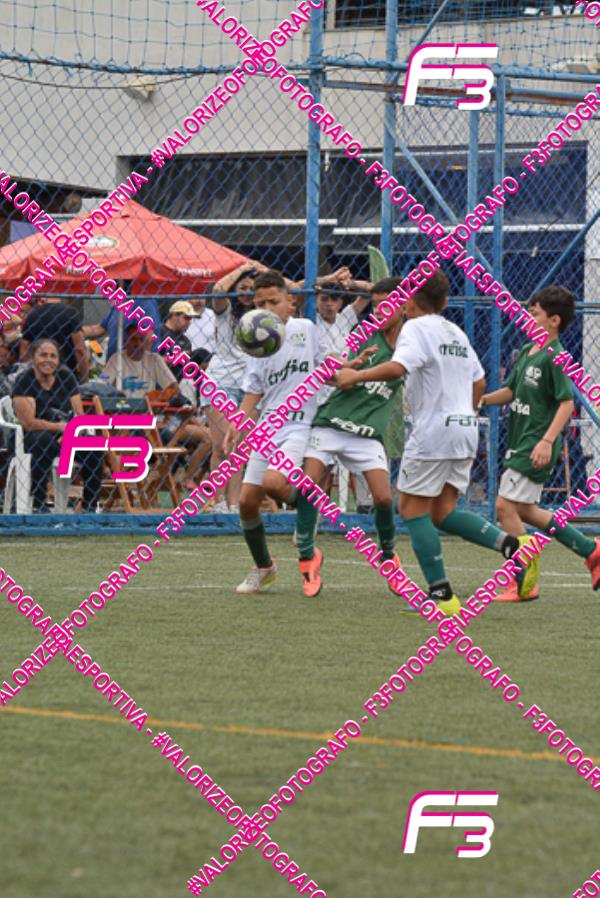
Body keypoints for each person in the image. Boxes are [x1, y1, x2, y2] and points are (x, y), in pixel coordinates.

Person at [336, 269, 540, 614]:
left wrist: (356, 375)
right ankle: (513, 546)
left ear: (408, 301)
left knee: (410, 509)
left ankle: (442, 595)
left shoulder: (415, 328)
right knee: (442, 512)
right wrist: (465, 412)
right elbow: (479, 380)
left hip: (434, 432)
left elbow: (398, 367)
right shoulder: (455, 331)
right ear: (445, 301)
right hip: (465, 428)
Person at [481, 285, 600, 601]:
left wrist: (547, 441)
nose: (528, 318)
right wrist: (481, 400)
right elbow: (511, 391)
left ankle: (524, 579)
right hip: (521, 440)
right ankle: (591, 551)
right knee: (525, 509)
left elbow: (566, 402)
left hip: (534, 443)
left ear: (554, 320)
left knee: (504, 507)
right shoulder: (527, 351)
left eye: (534, 314)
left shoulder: (555, 356)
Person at [223, 269, 331, 594]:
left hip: (300, 422)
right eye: (260, 304)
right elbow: (254, 389)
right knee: (246, 502)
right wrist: (237, 423)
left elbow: (327, 364)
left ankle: (307, 510)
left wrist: (350, 368)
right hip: (269, 426)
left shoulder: (305, 329)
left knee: (273, 483)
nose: (268, 309)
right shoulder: (257, 340)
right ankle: (264, 568)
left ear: (290, 302)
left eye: (274, 301)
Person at [295, 290, 405, 597]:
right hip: (332, 422)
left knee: (383, 498)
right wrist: (348, 370)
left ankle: (388, 556)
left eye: (387, 305)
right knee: (308, 485)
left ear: (405, 308)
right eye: (376, 305)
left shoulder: (411, 346)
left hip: (367, 433)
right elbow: (334, 373)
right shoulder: (364, 337)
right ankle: (307, 556)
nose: (380, 310)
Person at [204, 261, 268, 513]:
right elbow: (218, 290)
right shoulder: (225, 311)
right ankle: (218, 501)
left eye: (252, 289)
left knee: (240, 450)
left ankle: (233, 505)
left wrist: (264, 273)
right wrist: (242, 269)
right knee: (222, 446)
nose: (247, 293)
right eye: (242, 288)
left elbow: (289, 290)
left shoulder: (263, 316)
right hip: (221, 382)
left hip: (250, 386)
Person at [11, 339, 103, 512]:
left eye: (53, 356)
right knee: (44, 440)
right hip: (30, 438)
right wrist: (60, 427)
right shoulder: (25, 380)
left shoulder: (66, 377)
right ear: (33, 357)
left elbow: (79, 414)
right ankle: (38, 502)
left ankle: (90, 506)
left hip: (65, 436)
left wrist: (74, 429)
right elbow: (29, 423)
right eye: (43, 355)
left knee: (95, 445)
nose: (48, 360)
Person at [20, 296, 88, 382]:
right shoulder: (70, 313)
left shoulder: (33, 314)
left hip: (39, 375)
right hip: (66, 375)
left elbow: (24, 351)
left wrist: (29, 372)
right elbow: (80, 349)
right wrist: (85, 379)